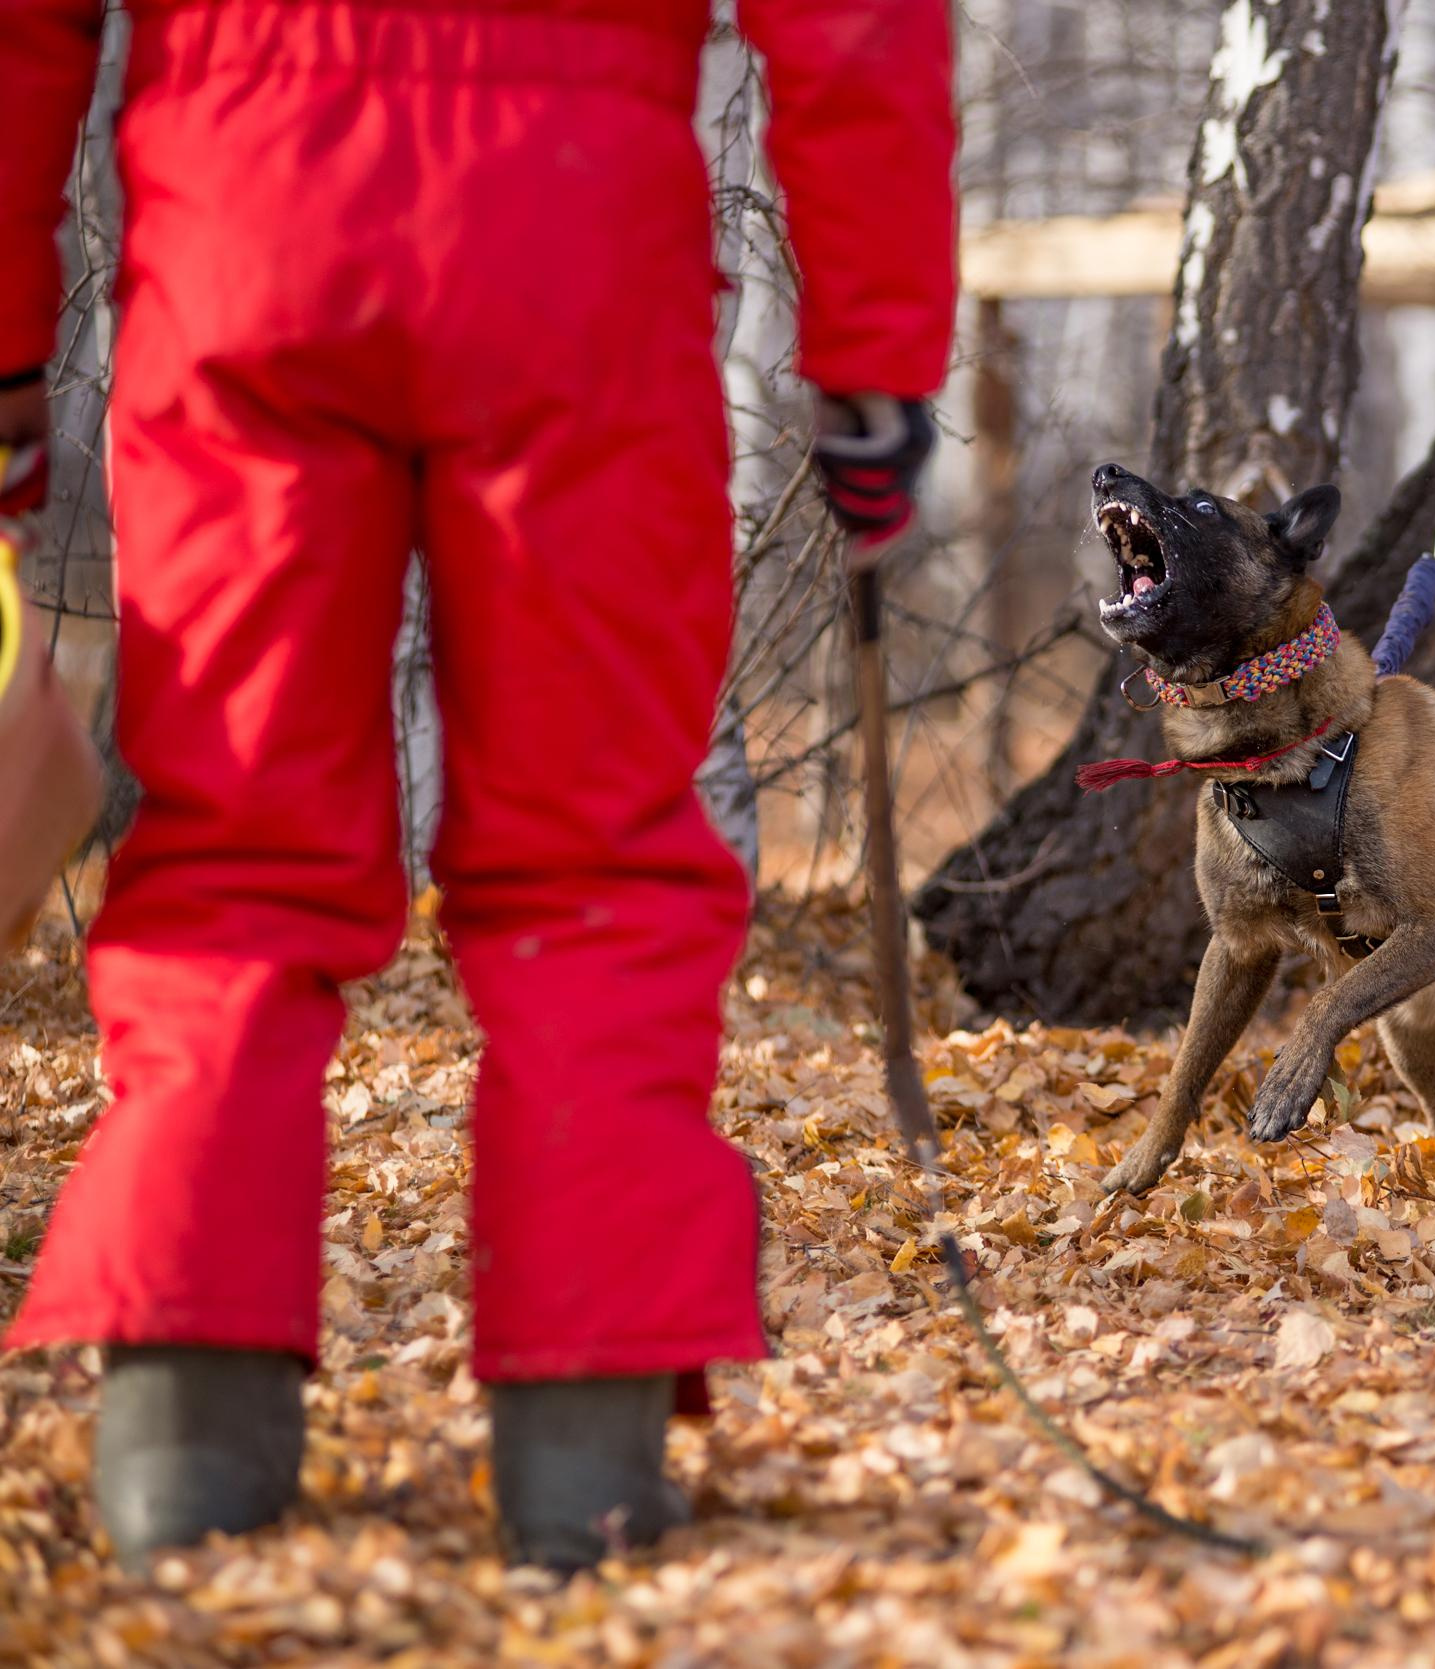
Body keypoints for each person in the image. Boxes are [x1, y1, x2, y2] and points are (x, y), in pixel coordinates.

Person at [0, 0, 954, 1571]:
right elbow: (857, 27)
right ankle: (584, 1463)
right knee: (598, 865)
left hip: (243, 219)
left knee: (228, 847)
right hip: (579, 229)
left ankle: (184, 1435)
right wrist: (872, 346)